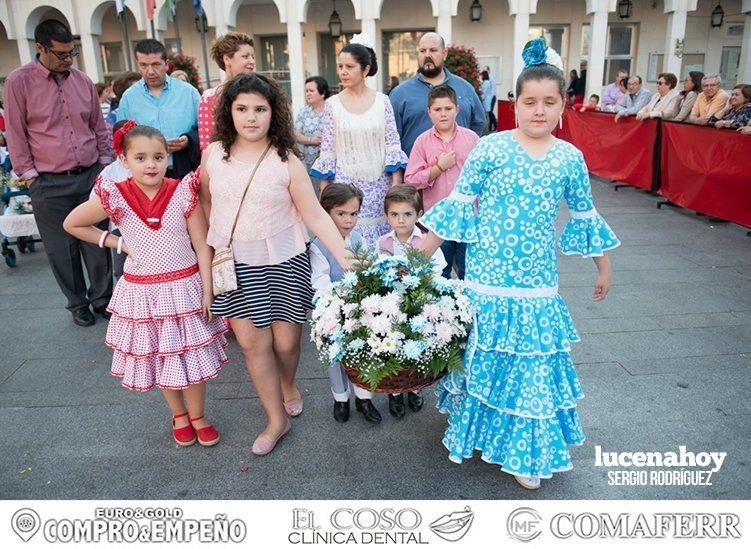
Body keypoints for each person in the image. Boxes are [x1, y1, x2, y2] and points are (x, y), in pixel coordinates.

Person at [420, 38, 620, 490]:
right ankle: (484, 432)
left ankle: (527, 452)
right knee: (485, 360)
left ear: (563, 106)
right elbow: (457, 207)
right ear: (515, 103)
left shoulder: (570, 158)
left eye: (550, 102)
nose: (538, 110)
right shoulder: (490, 149)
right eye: (529, 101)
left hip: (536, 285)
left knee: (531, 365)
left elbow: (585, 217)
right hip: (487, 280)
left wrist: (603, 267)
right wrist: (416, 259)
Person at [199, 73, 352, 456]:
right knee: (253, 345)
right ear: (228, 112)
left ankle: (288, 384)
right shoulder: (213, 154)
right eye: (242, 109)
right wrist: (206, 266)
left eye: (260, 109)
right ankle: (275, 419)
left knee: (285, 343)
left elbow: (316, 217)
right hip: (233, 264)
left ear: (274, 114)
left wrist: (352, 263)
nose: (251, 117)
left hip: (284, 261)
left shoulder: (287, 160)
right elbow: (205, 205)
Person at [63, 124, 228, 447]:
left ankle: (198, 415)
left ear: (168, 158)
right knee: (164, 357)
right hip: (144, 293)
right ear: (124, 160)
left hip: (185, 289)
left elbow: (200, 242)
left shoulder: (182, 191)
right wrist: (115, 243)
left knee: (191, 356)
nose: (150, 164)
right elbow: (73, 223)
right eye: (140, 157)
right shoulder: (116, 195)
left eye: (158, 157)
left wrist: (208, 290)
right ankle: (179, 415)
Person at [4, 19, 114, 327]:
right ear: (40, 48)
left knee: (96, 243)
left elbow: (97, 125)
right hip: (48, 181)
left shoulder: (82, 80)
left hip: (89, 174)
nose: (68, 59)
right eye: (61, 53)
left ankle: (102, 299)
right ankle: (77, 303)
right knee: (60, 248)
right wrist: (29, 174)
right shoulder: (18, 81)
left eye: (72, 52)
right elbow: (15, 131)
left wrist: (104, 162)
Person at [311, 36, 409, 248]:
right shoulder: (332, 105)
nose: (343, 72)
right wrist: (324, 192)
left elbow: (393, 145)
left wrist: (395, 187)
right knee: (350, 249)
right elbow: (327, 150)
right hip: (345, 189)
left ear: (365, 70)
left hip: (379, 188)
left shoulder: (383, 101)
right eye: (340, 66)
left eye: (349, 66)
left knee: (383, 250)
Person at [309, 183, 383, 423]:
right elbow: (319, 278)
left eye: (354, 214)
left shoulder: (359, 239)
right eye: (341, 214)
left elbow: (366, 267)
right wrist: (337, 295)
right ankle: (341, 399)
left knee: (362, 349)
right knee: (334, 355)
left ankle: (364, 397)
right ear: (326, 213)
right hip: (332, 310)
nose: (349, 220)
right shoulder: (319, 245)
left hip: (358, 307)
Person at [376, 184, 446, 419]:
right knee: (394, 345)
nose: (401, 220)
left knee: (416, 345)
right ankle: (395, 391)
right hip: (392, 303)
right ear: (387, 216)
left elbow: (439, 268)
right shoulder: (383, 242)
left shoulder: (426, 241)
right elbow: (378, 271)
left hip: (419, 302)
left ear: (419, 215)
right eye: (394, 215)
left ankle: (414, 388)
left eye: (407, 214)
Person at [404, 84, 478, 279]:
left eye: (448, 108)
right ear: (429, 112)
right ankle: (442, 310)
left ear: (457, 109)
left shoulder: (472, 139)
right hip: (437, 220)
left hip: (468, 220)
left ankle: (467, 308)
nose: (443, 114)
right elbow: (411, 179)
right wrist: (438, 168)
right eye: (437, 109)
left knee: (468, 272)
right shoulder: (422, 141)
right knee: (438, 273)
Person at [389, 32, 486, 156]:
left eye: (433, 50)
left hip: (458, 172)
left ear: (444, 54)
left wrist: (464, 149)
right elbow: (391, 138)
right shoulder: (399, 94)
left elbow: (479, 122)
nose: (427, 55)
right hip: (416, 172)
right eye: (422, 51)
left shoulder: (465, 88)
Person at [117, 39, 200, 179]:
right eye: (143, 65)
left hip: (185, 169)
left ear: (166, 65)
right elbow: (121, 138)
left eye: (156, 65)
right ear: (138, 65)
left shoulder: (189, 93)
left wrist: (188, 140)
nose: (150, 72)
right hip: (146, 174)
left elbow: (205, 131)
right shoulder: (129, 98)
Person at [199, 31, 255, 151]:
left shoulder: (260, 93)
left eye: (253, 56)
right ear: (227, 59)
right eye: (245, 56)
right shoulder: (210, 97)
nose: (252, 61)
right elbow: (207, 146)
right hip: (225, 163)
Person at [294, 76, 329, 195]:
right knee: (315, 193)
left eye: (311, 91)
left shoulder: (332, 110)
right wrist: (312, 140)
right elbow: (297, 135)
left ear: (322, 93)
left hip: (330, 162)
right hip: (311, 164)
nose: (308, 94)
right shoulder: (304, 112)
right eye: (306, 91)